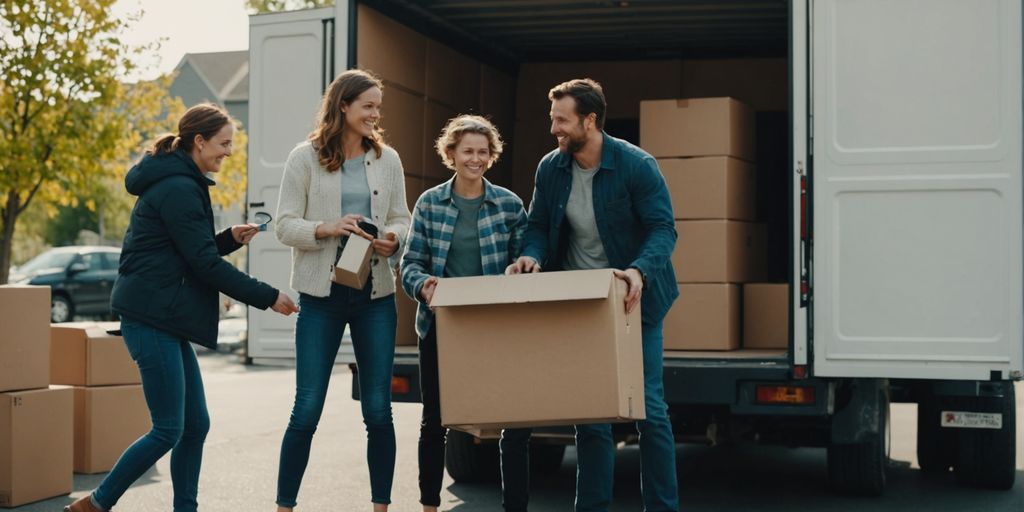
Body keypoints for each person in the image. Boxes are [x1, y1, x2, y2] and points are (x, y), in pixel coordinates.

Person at [65, 103, 300, 512]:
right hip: (150, 317)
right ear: (199, 141)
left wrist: (228, 237)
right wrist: (268, 296)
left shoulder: (182, 181)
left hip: (164, 315)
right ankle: (95, 505)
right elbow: (204, 264)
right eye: (224, 143)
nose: (228, 152)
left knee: (195, 426)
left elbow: (187, 250)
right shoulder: (178, 187)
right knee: (168, 429)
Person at [506, 78, 679, 511]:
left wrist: (638, 271)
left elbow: (663, 229)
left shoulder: (636, 165)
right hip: (581, 303)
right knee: (592, 416)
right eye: (552, 120)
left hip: (633, 301)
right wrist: (531, 257)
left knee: (649, 411)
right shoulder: (552, 167)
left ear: (590, 119)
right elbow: (538, 225)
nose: (554, 129)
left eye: (562, 121)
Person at [274, 69, 411, 512]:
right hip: (321, 297)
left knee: (377, 410)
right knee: (307, 409)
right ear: (343, 106)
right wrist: (328, 226)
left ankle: (380, 507)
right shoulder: (305, 157)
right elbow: (284, 225)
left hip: (375, 295)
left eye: (378, 107)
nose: (375, 114)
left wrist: (393, 238)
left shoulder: (387, 159)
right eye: (368, 106)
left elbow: (401, 217)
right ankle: (284, 506)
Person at [399, 115, 528, 512]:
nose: (476, 159)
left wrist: (523, 266)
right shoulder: (430, 203)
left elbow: (528, 259)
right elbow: (410, 264)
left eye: (483, 152)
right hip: (443, 325)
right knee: (434, 420)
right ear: (451, 153)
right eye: (468, 151)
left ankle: (515, 506)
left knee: (515, 422)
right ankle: (428, 505)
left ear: (492, 156)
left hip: (496, 327)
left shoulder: (508, 204)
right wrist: (423, 285)